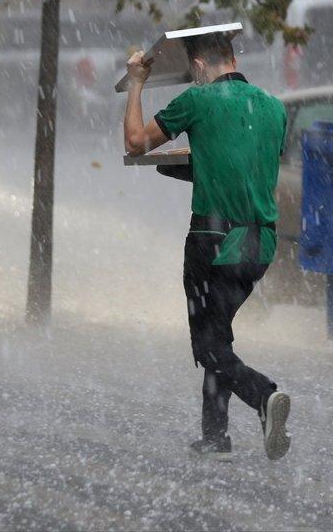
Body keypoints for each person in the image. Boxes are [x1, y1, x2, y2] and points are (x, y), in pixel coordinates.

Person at [123, 31, 291, 461]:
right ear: (233, 58)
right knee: (219, 336)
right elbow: (244, 167)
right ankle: (215, 436)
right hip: (259, 246)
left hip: (213, 242)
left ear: (198, 67)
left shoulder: (197, 102)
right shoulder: (274, 108)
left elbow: (135, 142)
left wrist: (138, 81)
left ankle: (263, 396)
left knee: (208, 346)